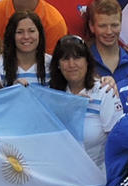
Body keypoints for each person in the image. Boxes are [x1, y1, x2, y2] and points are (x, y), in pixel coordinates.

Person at [48, 34, 122, 168]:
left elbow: (117, 141)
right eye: (65, 59)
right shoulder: (51, 94)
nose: (71, 64)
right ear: (58, 64)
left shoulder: (104, 91)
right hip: (60, 176)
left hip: (97, 178)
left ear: (87, 61)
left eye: (77, 57)